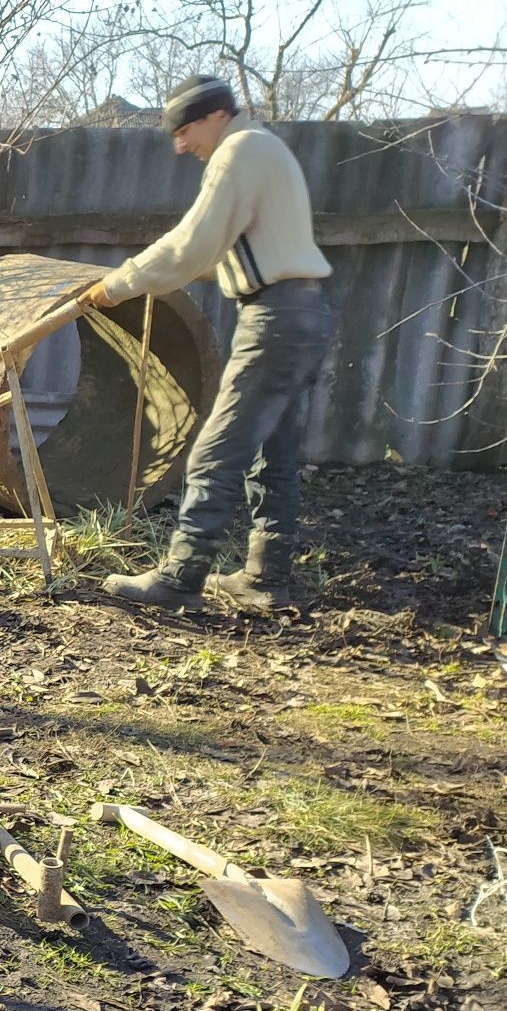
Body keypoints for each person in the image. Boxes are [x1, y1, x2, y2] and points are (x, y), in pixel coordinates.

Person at [78, 75, 335, 612]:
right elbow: (231, 250)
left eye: (185, 129)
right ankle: (266, 579)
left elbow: (192, 244)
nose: (180, 144)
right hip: (306, 311)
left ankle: (180, 578)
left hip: (275, 319)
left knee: (215, 451)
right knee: (274, 453)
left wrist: (117, 284)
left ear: (217, 115)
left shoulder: (238, 152)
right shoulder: (267, 149)